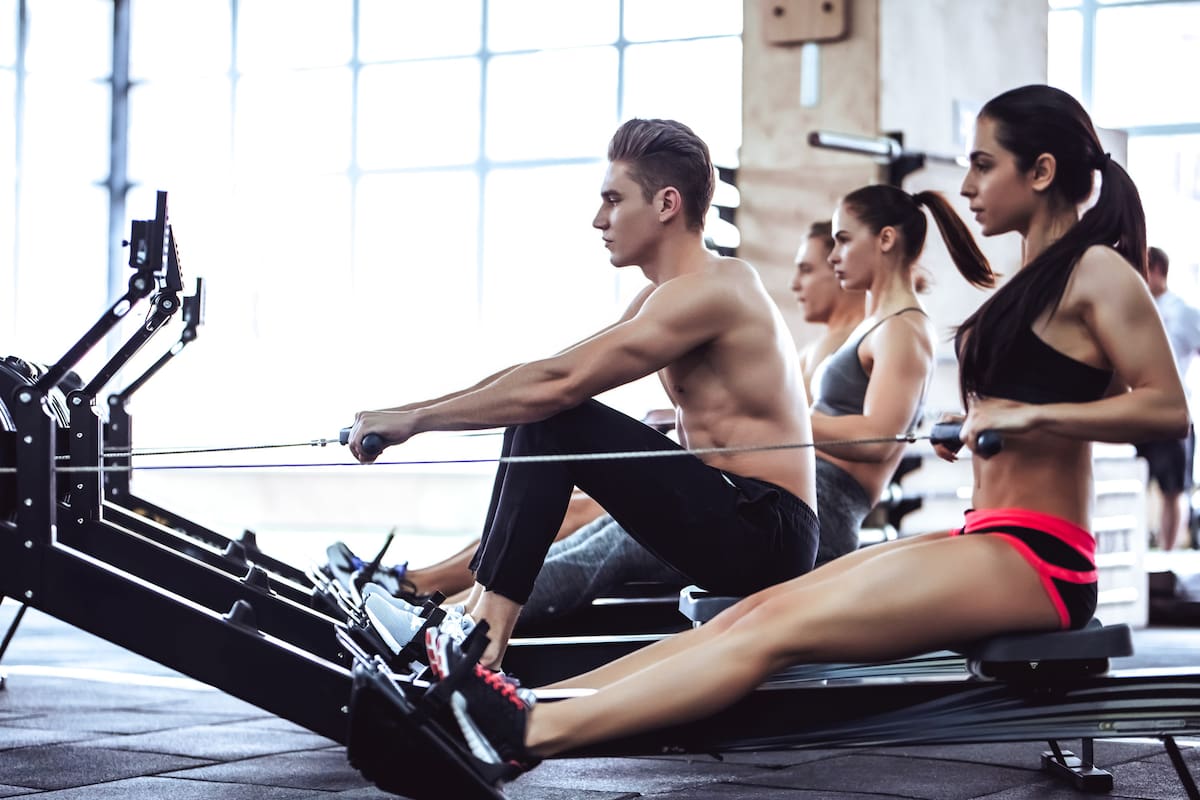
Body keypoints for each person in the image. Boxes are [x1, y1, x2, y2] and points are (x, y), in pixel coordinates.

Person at [403, 84, 1187, 781]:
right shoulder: (1033, 284)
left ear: (1041, 171)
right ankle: (514, 701)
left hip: (1042, 559)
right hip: (988, 534)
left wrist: (1032, 415)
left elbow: (1167, 409)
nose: (968, 184)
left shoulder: (1099, 271)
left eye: (984, 165)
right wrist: (980, 424)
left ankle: (526, 734)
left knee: (775, 630)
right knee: (747, 615)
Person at [348, 117, 820, 671]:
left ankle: (484, 637)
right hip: (737, 516)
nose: (599, 219)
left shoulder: (715, 290)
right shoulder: (664, 296)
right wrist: (407, 413)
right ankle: (472, 614)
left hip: (768, 531)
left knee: (554, 418)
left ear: (666, 203)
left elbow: (558, 386)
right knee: (540, 414)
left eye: (614, 200)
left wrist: (417, 423)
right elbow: (544, 372)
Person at [1134, 246, 1200, 550]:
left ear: (1157, 270)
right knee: (1136, 482)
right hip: (1136, 412)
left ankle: (1168, 555)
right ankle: (1141, 554)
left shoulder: (1182, 312)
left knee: (1173, 489)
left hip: (1171, 412)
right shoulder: (1134, 310)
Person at [791, 219, 865, 396]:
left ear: (841, 268)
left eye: (806, 270)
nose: (794, 284)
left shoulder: (851, 343)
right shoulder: (816, 348)